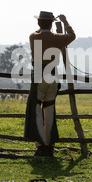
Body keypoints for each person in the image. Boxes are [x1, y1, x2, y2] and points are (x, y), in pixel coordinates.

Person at [24, 11, 76, 157]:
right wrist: (65, 22)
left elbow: (38, 32)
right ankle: (50, 145)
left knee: (37, 110)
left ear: (39, 23)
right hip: (53, 75)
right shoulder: (57, 38)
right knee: (50, 110)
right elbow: (72, 36)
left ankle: (41, 146)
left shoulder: (33, 37)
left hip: (39, 75)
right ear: (52, 23)